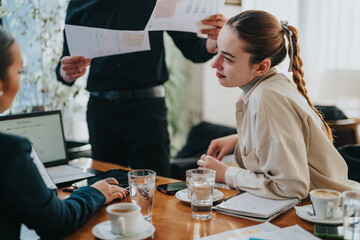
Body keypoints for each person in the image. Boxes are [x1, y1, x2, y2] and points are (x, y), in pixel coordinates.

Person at [197, 10, 360, 200]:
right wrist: (238, 140)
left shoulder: (266, 97)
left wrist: (227, 174)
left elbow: (291, 188)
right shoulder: (269, 86)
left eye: (227, 58)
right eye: (217, 51)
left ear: (261, 67)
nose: (214, 64)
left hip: (325, 215)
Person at [56, 0, 226, 177]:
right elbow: (65, 62)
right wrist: (66, 72)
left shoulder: (157, 1)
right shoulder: (79, 3)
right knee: (104, 186)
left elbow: (192, 49)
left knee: (156, 185)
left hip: (147, 112)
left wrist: (214, 41)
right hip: (101, 113)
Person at [0, 27, 128, 239]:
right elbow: (56, 222)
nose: (19, 80)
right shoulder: (10, 152)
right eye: (18, 71)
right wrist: (93, 192)